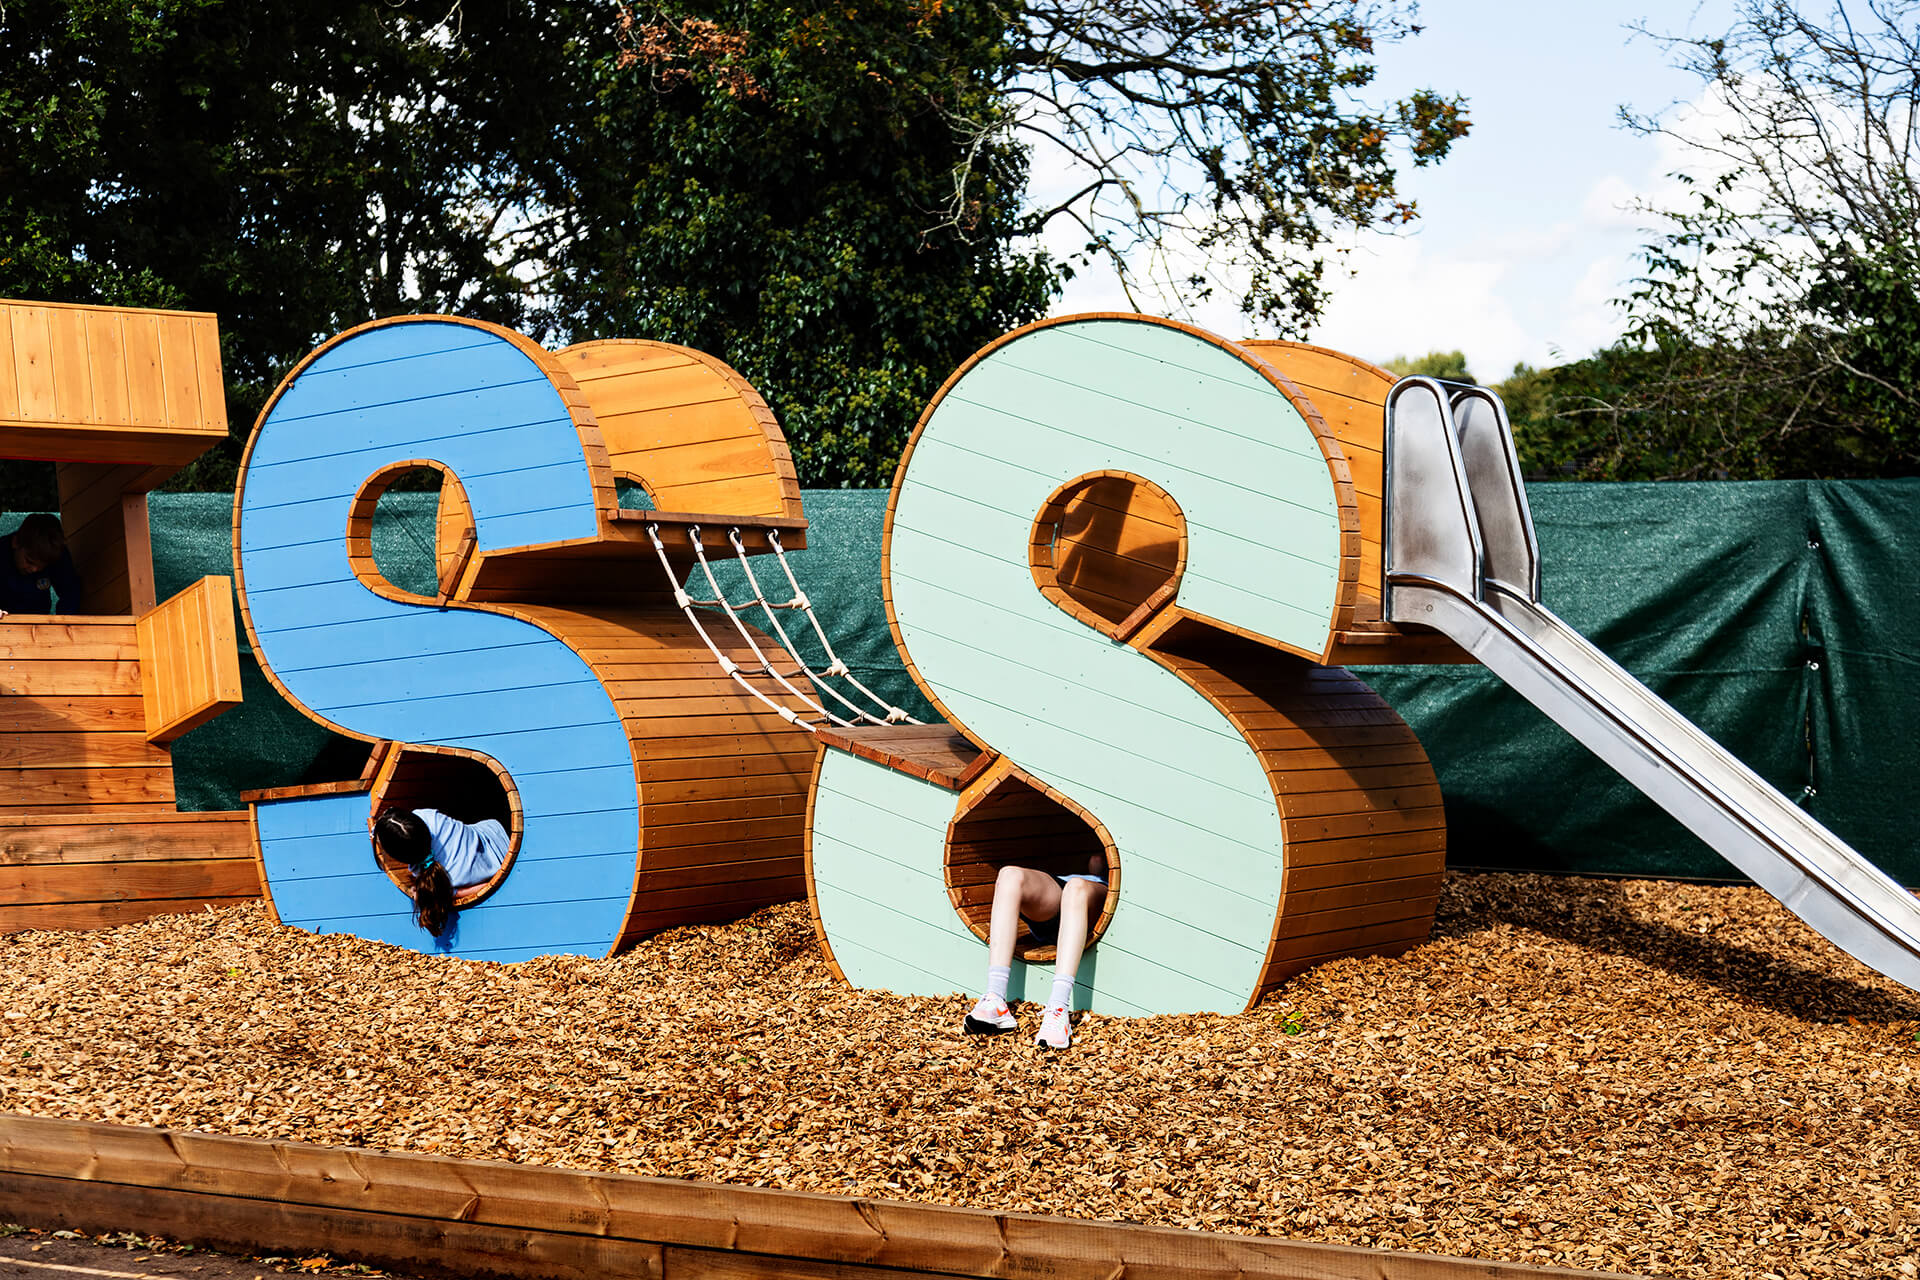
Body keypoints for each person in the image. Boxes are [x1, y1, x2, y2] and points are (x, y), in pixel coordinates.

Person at [962, 852, 1107, 1050]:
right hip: (1057, 899)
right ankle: (995, 998)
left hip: (1084, 898)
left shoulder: (1093, 883)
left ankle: (1058, 1009)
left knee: (1076, 888)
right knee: (1009, 875)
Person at [371, 807, 510, 938]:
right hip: (498, 831)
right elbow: (404, 821)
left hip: (496, 864)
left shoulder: (447, 881)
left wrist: (448, 893)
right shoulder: (432, 818)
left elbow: (485, 887)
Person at [0, 513, 82, 617]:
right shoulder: (2, 552)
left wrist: (64, 623)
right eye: (29, 561)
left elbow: (70, 592)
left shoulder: (54, 552)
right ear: (15, 542)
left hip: (38, 621)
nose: (34, 569)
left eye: (42, 566)